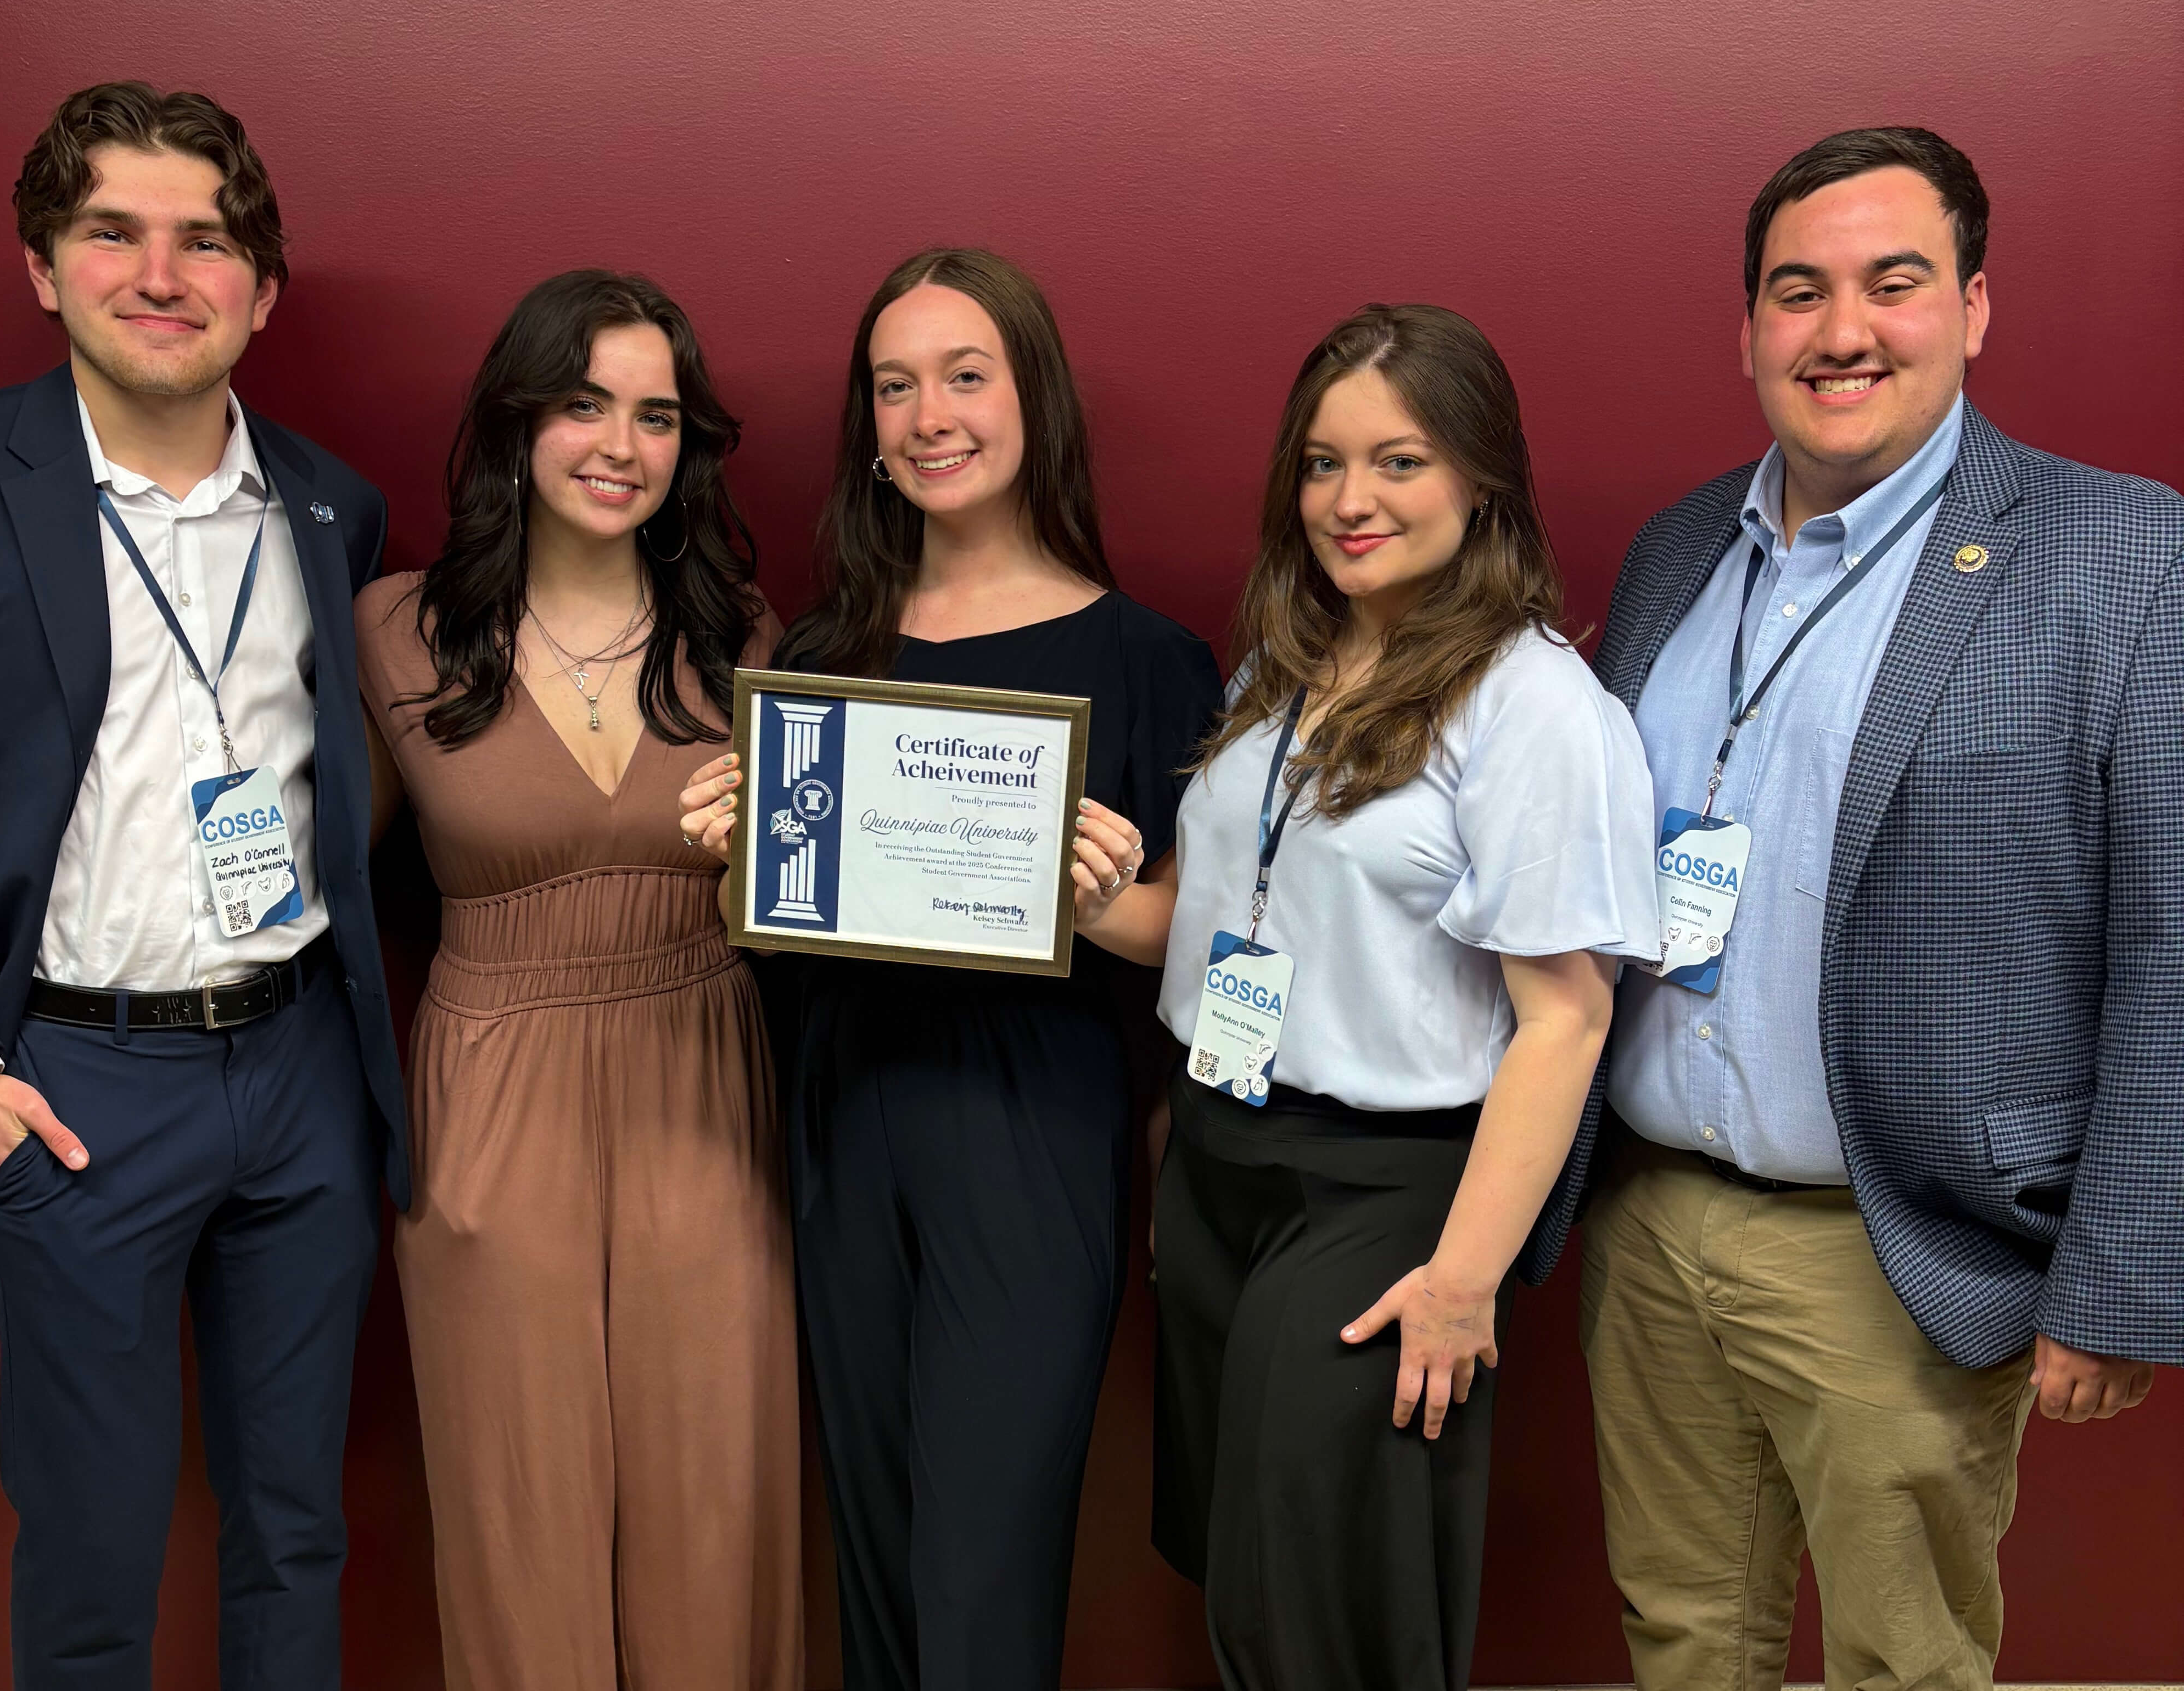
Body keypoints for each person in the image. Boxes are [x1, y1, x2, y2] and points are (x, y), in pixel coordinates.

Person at [1580, 126, 2180, 1691]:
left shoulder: (2123, 556)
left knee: (1902, 1668)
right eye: (1798, 292)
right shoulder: (1667, 558)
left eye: (1891, 283)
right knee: (1679, 1644)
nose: (1841, 330)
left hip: (1896, 1251)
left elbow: (2169, 944)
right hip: (1647, 1224)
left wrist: (2119, 1274)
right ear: (1748, 330)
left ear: (1974, 307)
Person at [0, 83, 404, 1690]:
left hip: (299, 1079)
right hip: (73, 1084)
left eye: (204, 241)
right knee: (89, 1547)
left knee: (296, 1532)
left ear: (261, 288)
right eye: (114, 233)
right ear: (42, 266)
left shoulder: (327, 506)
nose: (163, 275)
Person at [681, 247, 1222, 1689]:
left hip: (1031, 1120)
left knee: (980, 1565)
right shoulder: (818, 655)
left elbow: (1215, 941)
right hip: (843, 1110)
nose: (930, 414)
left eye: (965, 376)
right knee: (874, 1537)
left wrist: (1101, 902)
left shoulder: (1148, 657)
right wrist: (735, 857)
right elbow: (782, 932)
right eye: (895, 385)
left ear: (1032, 396)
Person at [1135, 305, 1659, 1689]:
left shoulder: (1534, 704)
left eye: (1399, 462)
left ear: (1483, 477)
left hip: (1384, 1200)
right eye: (1321, 464)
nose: (1350, 502)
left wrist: (1464, 1280)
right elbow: (1198, 919)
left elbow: (1567, 1020)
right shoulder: (1281, 666)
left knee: (1327, 1611)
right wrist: (1051, 884)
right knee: (1245, 1571)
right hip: (1221, 1162)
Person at [356, 270, 802, 1690]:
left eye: (656, 415)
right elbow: (298, 871)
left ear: (689, 447)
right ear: (517, 423)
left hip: (704, 1077)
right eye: (583, 402)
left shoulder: (746, 634)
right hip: (493, 1096)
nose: (619, 443)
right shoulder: (393, 632)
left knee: (713, 1501)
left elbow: (798, 909)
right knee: (518, 1514)